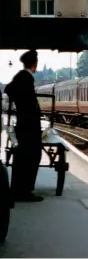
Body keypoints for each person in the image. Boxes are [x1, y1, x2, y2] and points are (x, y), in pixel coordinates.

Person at [4, 50, 43, 202]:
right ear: (34, 64)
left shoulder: (23, 77)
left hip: (25, 124)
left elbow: (9, 90)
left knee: (22, 158)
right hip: (28, 126)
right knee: (31, 158)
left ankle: (19, 190)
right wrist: (24, 107)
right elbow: (12, 91)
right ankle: (24, 191)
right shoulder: (25, 77)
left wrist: (19, 103)